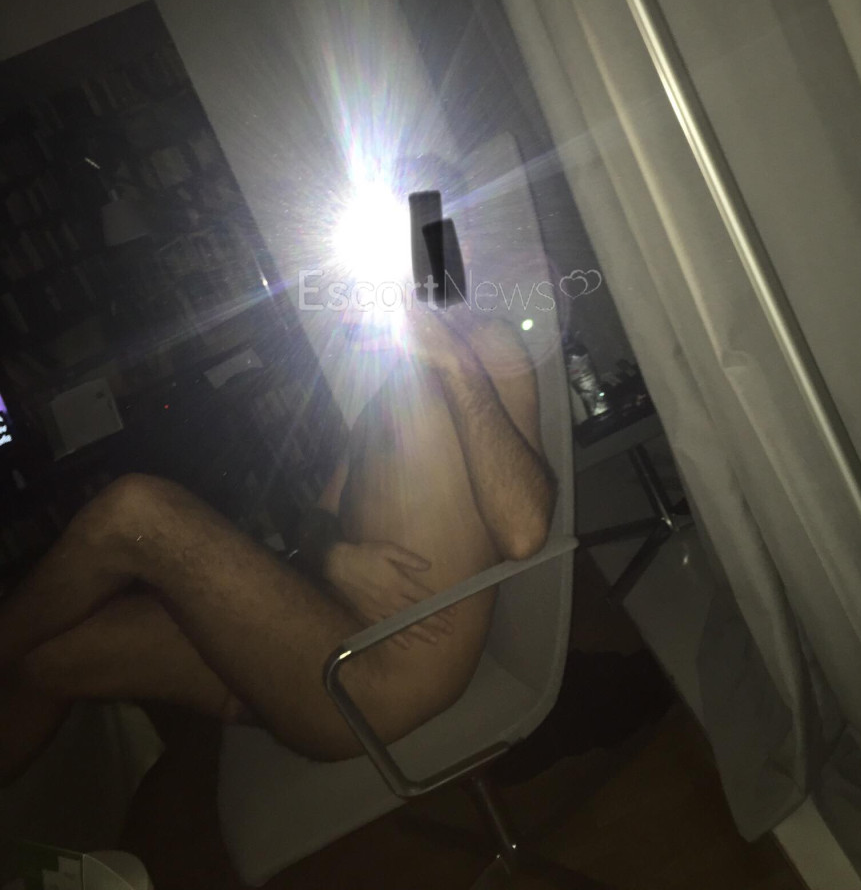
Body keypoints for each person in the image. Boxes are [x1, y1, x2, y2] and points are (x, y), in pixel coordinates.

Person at [0, 302, 556, 781]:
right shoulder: (386, 396)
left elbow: (524, 530)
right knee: (53, 658)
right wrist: (334, 557)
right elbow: (315, 522)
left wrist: (454, 360)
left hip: (369, 686)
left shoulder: (485, 343)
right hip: (309, 646)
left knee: (135, 511)